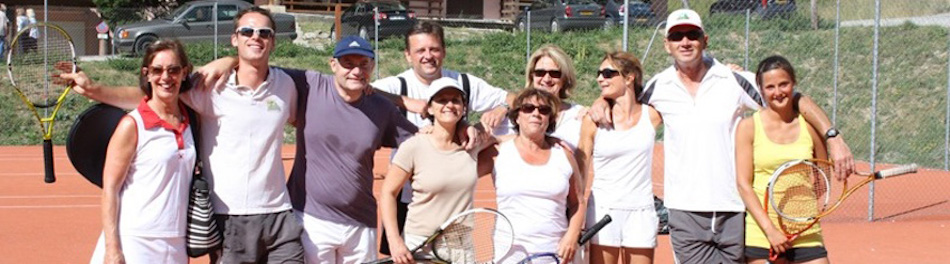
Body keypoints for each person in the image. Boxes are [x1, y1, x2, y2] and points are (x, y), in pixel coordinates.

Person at [586, 9, 854, 264]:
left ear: (705, 40)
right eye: (677, 36)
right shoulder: (659, 86)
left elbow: (791, 98)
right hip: (685, 212)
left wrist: (833, 136)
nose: (685, 41)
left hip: (733, 209)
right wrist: (603, 99)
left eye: (692, 34)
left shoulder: (732, 79)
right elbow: (627, 99)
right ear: (667, 45)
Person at [61, 7, 306, 263]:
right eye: (247, 31)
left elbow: (308, 119)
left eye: (263, 33)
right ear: (235, 38)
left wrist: (230, 60)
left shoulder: (285, 86)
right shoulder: (210, 88)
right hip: (210, 221)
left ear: (273, 41)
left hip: (269, 216)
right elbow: (153, 95)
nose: (255, 37)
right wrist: (95, 90)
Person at [369, 21, 515, 256]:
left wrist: (494, 113)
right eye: (420, 51)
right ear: (408, 56)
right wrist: (407, 102)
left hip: (452, 205)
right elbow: (359, 88)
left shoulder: (463, 83)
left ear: (444, 52)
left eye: (434, 49)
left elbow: (515, 99)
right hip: (408, 200)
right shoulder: (399, 84)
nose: (428, 56)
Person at [89, 39, 195, 264]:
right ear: (146, 74)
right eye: (157, 70)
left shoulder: (192, 120)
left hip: (176, 243)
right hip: (135, 240)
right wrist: (112, 248)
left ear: (184, 73)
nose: (165, 77)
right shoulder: (132, 125)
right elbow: (110, 189)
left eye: (173, 70)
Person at [379, 77, 486, 264]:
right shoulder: (413, 146)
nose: (449, 105)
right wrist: (395, 242)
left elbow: (516, 135)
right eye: (442, 100)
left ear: (464, 107)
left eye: (455, 100)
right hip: (421, 244)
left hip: (461, 247)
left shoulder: (472, 145)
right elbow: (388, 193)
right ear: (429, 108)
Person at [736, 55, 830, 264]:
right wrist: (771, 230)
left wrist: (802, 213)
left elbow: (822, 174)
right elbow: (743, 185)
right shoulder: (748, 127)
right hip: (761, 232)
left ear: (793, 84)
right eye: (770, 87)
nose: (778, 92)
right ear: (761, 90)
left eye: (783, 84)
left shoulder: (809, 126)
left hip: (805, 231)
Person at [577, 52, 661, 264]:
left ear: (629, 77)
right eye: (599, 74)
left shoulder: (652, 116)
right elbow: (581, 170)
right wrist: (576, 214)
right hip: (604, 209)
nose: (599, 79)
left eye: (607, 73)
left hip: (641, 210)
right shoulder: (593, 120)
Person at [490, 88, 586, 263]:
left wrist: (572, 236)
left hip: (553, 254)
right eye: (528, 108)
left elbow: (577, 202)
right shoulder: (498, 152)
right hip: (509, 255)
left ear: (550, 119)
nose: (536, 113)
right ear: (517, 116)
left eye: (543, 110)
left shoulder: (564, 155)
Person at [516, 44, 585, 149]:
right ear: (531, 76)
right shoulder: (519, 112)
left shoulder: (579, 116)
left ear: (565, 78)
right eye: (540, 73)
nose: (547, 79)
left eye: (554, 74)